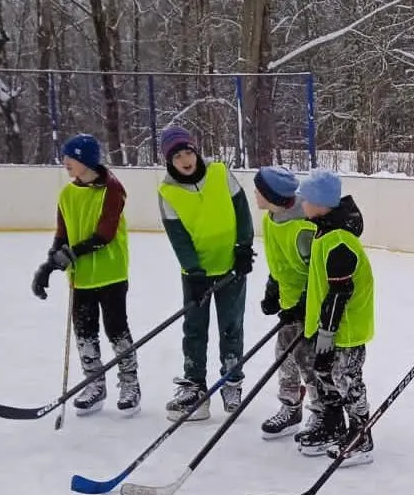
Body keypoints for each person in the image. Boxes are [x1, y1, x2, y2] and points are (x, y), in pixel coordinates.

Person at [31, 133, 138, 415]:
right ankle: (95, 385)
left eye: (71, 157)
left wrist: (71, 254)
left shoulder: (112, 189)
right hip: (81, 278)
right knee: (85, 333)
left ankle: (130, 384)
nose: (65, 162)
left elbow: (105, 234)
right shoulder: (67, 193)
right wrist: (48, 266)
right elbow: (62, 235)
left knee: (117, 330)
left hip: (111, 273)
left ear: (86, 160)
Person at [157, 126, 255, 421]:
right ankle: (195, 384)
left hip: (231, 266)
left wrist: (243, 247)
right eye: (177, 156)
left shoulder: (219, 174)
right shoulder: (168, 192)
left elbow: (242, 211)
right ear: (168, 161)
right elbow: (178, 237)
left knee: (231, 325)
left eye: (188, 152)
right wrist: (194, 271)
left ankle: (231, 379)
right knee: (195, 328)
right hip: (196, 273)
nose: (185, 160)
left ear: (196, 151)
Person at [283, 170, 376, 465]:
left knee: (346, 379)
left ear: (321, 204)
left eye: (306, 199)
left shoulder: (339, 241)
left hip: (345, 331)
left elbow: (339, 292)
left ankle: (361, 437)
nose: (301, 203)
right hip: (327, 327)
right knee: (325, 376)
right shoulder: (324, 232)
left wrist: (327, 331)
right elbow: (320, 284)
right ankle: (334, 425)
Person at [254, 166, 320, 440]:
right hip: (288, 303)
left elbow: (316, 272)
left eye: (259, 191)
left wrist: (304, 305)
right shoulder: (271, 218)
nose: (255, 195)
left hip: (310, 308)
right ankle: (290, 407)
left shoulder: (302, 228)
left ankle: (321, 412)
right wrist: (273, 289)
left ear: (271, 196)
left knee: (310, 362)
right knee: (284, 356)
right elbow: (279, 260)